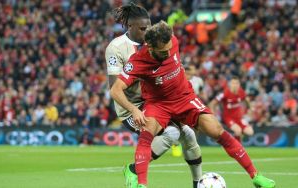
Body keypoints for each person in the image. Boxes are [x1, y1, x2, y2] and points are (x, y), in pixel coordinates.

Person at [110, 21, 276, 188]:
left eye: (169, 48)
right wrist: (134, 110)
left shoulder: (172, 40)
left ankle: (256, 176)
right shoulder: (138, 61)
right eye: (163, 51)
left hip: (184, 98)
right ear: (150, 47)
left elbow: (169, 31)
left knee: (216, 130)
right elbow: (115, 90)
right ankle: (141, 184)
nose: (169, 53)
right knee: (147, 133)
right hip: (158, 104)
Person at [105, 4, 202, 188]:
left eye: (148, 27)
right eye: (142, 29)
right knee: (173, 133)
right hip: (133, 107)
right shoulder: (116, 48)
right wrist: (146, 78)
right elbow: (114, 87)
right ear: (130, 27)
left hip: (159, 102)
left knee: (188, 134)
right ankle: (133, 169)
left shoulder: (155, 41)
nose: (146, 32)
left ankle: (198, 183)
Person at [208, 76, 254, 142]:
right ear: (230, 84)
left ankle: (235, 139)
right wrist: (213, 115)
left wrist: (250, 109)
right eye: (233, 83)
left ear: (239, 84)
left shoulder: (241, 92)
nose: (235, 85)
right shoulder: (225, 93)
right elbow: (212, 103)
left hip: (239, 118)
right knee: (238, 131)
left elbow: (247, 100)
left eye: (237, 83)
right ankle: (238, 149)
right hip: (228, 118)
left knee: (250, 132)